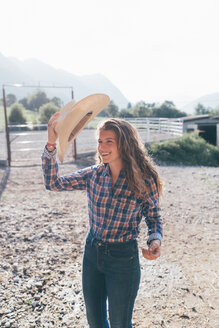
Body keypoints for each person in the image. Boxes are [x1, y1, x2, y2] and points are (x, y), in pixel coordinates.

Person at [42, 113, 163, 328]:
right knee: (95, 322)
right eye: (100, 141)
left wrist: (154, 241)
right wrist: (52, 144)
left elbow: (153, 217)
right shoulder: (94, 175)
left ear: (125, 145)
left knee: (120, 323)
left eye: (109, 141)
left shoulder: (145, 179)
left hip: (123, 259)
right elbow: (53, 183)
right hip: (92, 253)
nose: (102, 147)